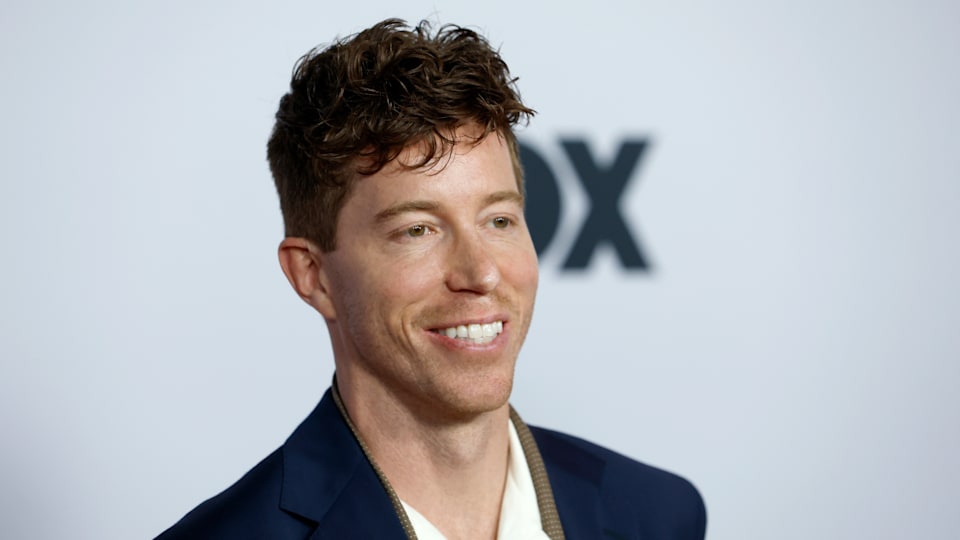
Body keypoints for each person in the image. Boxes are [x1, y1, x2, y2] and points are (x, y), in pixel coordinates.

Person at [157, 18, 706, 540]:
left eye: (499, 220)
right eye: (418, 230)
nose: (482, 272)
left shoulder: (656, 516)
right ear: (314, 275)